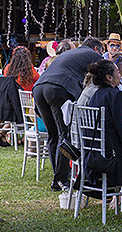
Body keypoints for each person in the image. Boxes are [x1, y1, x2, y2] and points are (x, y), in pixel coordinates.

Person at [32, 36, 105, 189]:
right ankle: (60, 180)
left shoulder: (71, 54)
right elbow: (104, 77)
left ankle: (59, 177)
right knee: (65, 134)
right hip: (58, 88)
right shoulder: (94, 55)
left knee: (53, 135)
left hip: (39, 87)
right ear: (97, 49)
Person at [72, 59, 122, 196]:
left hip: (96, 156)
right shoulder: (116, 96)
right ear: (109, 77)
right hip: (113, 161)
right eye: (117, 72)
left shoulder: (97, 94)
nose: (120, 76)